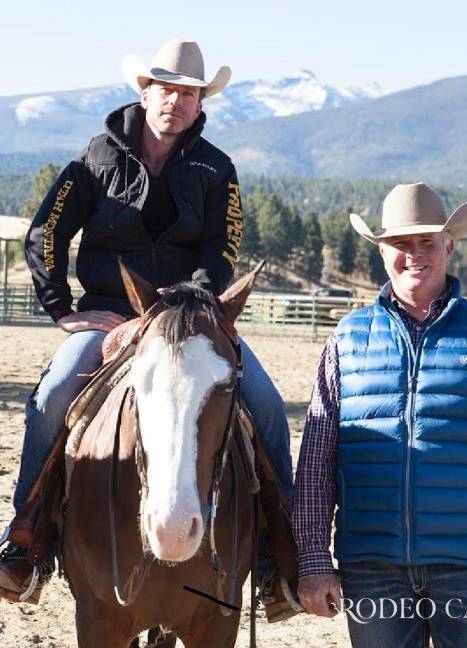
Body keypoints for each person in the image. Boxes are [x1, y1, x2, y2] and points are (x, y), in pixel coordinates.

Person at [0, 39, 293, 609]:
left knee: (264, 402)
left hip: (190, 319)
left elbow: (221, 249)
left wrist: (191, 311)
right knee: (56, 392)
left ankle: (280, 555)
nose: (176, 101)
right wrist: (64, 310)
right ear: (147, 90)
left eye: (189, 93)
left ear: (198, 103)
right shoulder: (95, 157)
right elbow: (45, 233)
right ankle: (26, 538)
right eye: (168, 89)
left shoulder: (217, 169)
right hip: (109, 314)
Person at [292, 182, 467, 647]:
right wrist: (314, 562)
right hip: (373, 570)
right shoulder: (347, 339)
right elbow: (316, 464)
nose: (413, 254)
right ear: (382, 252)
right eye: (400, 243)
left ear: (449, 246)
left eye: (426, 242)